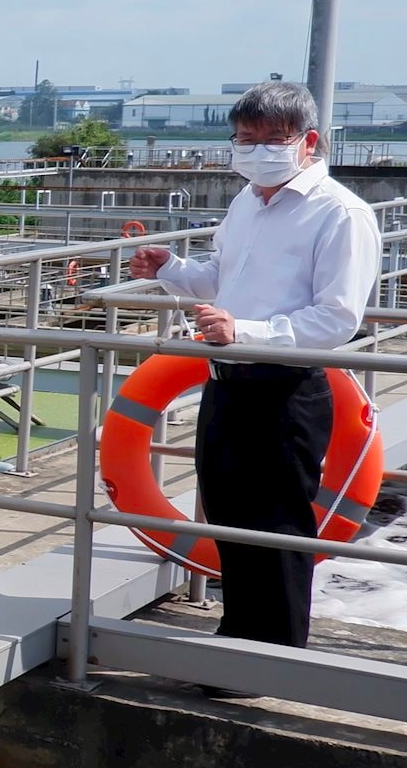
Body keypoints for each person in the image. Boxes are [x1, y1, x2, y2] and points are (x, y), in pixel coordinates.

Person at [132, 79, 381, 649]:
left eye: (273, 139)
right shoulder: (246, 201)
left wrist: (245, 331)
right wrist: (171, 266)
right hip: (227, 383)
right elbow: (224, 277)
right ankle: (238, 633)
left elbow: (338, 318)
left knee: (277, 522)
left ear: (308, 141)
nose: (256, 150)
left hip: (285, 389)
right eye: (245, 138)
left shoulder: (341, 214)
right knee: (227, 512)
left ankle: (275, 648)